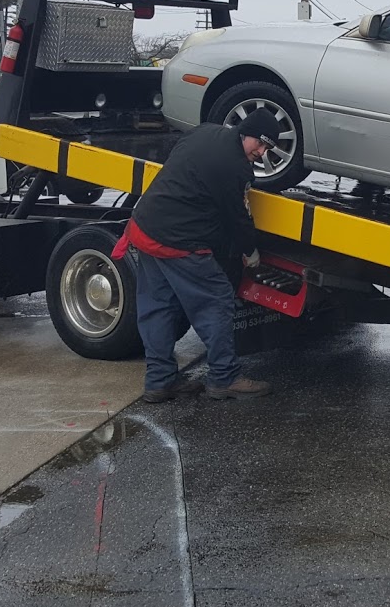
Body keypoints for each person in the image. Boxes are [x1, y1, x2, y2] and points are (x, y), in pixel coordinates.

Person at [112, 108, 282, 403]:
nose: (262, 151)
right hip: (178, 241)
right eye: (260, 142)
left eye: (268, 148)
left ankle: (159, 382)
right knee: (216, 300)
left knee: (158, 307)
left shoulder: (204, 131)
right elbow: (237, 217)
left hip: (145, 226)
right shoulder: (235, 167)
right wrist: (250, 251)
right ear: (246, 132)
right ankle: (224, 378)